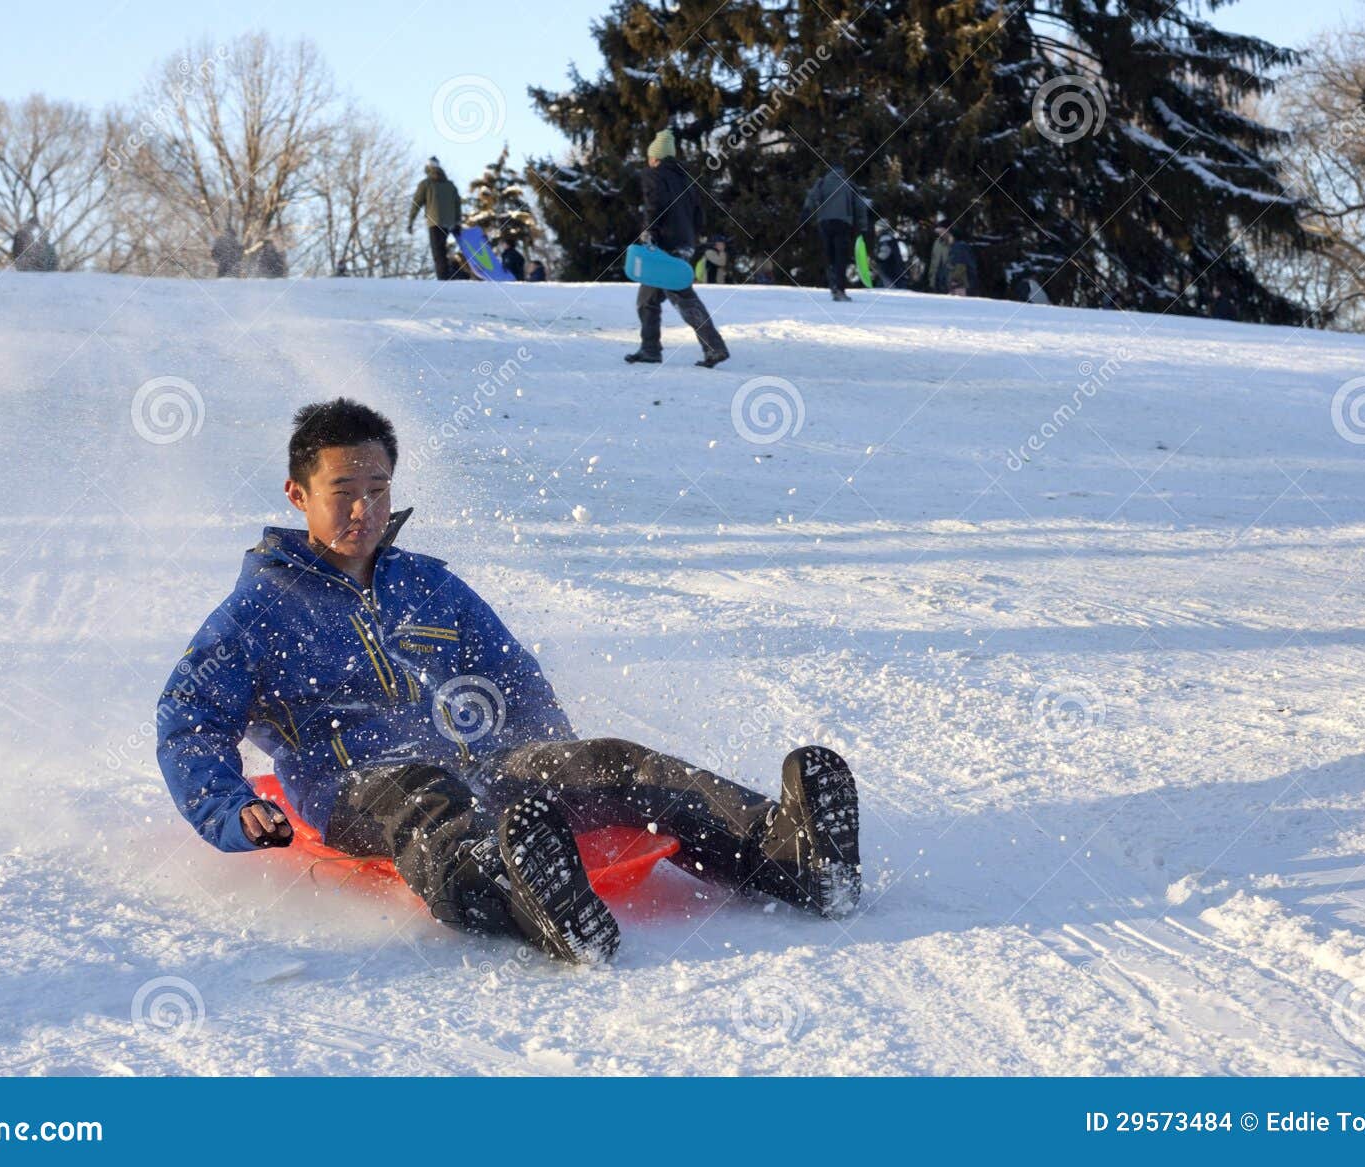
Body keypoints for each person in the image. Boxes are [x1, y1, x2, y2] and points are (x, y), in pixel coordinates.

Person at [156, 399, 862, 965]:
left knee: (613, 758)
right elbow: (189, 715)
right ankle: (520, 898)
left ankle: (786, 854)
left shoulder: (428, 583)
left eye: (378, 490)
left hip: (482, 764)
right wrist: (228, 804)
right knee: (425, 795)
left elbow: (511, 673)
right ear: (297, 493)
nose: (363, 510)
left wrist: (558, 772)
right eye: (342, 492)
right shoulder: (259, 610)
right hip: (357, 786)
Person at [625, 129, 730, 368]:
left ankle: (713, 347)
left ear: (656, 157)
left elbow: (654, 205)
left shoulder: (654, 175)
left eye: (650, 157)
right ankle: (650, 349)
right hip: (685, 244)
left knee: (681, 298)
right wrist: (693, 239)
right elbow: (699, 214)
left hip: (664, 244)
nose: (648, 162)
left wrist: (649, 231)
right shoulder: (686, 178)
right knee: (650, 299)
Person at [802, 164, 869, 301]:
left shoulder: (821, 183)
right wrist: (863, 228)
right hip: (843, 223)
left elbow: (811, 197)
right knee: (841, 257)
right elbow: (860, 207)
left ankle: (833, 287)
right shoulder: (849, 184)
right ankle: (840, 289)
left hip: (824, 223)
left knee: (830, 256)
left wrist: (806, 213)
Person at [407, 157, 463, 281]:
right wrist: (458, 222)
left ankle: (443, 279)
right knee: (444, 249)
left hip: (435, 222)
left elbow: (417, 203)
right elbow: (457, 203)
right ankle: (450, 274)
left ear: (428, 169)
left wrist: (411, 221)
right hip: (450, 223)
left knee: (438, 252)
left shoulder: (426, 184)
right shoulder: (450, 185)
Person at [928, 218, 954, 293]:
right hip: (937, 283)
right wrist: (931, 281)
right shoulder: (937, 243)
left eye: (942, 231)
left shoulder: (956, 244)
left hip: (951, 285)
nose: (940, 233)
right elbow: (933, 263)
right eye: (939, 231)